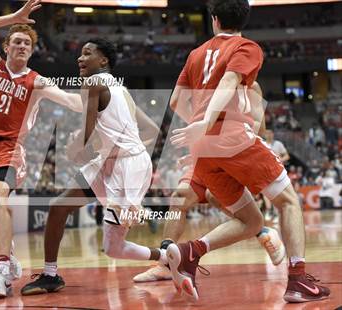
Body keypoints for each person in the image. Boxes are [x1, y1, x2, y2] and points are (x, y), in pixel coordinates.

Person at [169, 0, 329, 303]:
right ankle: (297, 280)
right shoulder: (247, 47)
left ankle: (191, 252)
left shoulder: (194, 54)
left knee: (252, 222)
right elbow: (229, 81)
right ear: (244, 18)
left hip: (204, 150)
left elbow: (177, 100)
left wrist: (197, 129)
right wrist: (206, 122)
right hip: (232, 138)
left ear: (214, 20)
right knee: (288, 202)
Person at [0, 0, 83, 297]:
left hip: (11, 149)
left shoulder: (36, 81)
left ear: (32, 49)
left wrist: (104, 94)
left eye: (27, 42)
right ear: (7, 46)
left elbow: (71, 101)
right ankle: (8, 251)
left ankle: (2, 272)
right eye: (17, 41)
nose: (22, 45)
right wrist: (13, 17)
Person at [20, 38, 164, 296]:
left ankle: (162, 244)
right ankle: (50, 276)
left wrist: (74, 148)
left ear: (103, 60)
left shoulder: (93, 82)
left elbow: (84, 138)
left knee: (113, 245)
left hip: (125, 166)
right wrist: (123, 148)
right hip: (123, 161)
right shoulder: (121, 89)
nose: (80, 58)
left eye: (87, 53)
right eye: (80, 54)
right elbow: (152, 130)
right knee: (62, 210)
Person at [134, 83, 285, 283]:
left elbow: (260, 126)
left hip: (234, 153)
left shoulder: (250, 85)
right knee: (179, 197)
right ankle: (165, 263)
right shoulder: (205, 80)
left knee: (215, 198)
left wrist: (227, 140)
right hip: (205, 155)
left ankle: (261, 230)